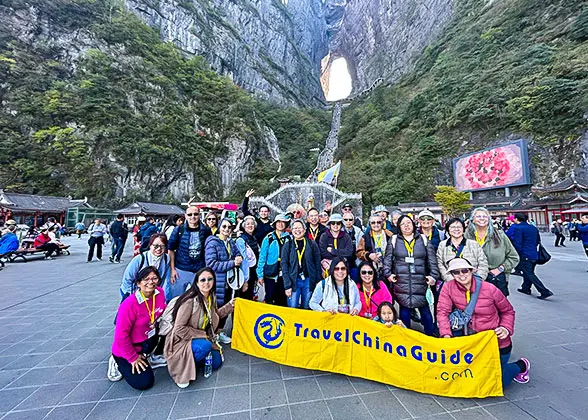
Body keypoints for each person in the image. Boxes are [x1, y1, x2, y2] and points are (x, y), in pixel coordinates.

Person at [437, 258, 530, 389]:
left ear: (471, 271)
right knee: (467, 378)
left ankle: (521, 365)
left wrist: (505, 328)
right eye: (456, 272)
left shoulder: (490, 289)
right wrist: (446, 335)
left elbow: (508, 311)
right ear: (452, 275)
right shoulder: (448, 287)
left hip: (495, 342)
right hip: (471, 342)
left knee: (495, 381)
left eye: (464, 270)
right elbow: (442, 312)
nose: (461, 275)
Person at [164, 268, 235, 388]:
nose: (206, 282)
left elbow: (214, 316)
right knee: (205, 346)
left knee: (216, 362)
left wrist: (230, 306)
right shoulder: (190, 301)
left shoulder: (210, 296)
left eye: (210, 279)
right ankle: (182, 366)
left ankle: (194, 361)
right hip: (182, 341)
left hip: (198, 338)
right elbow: (179, 329)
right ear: (196, 283)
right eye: (202, 280)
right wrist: (203, 335)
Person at [108, 267, 167, 390]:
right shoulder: (129, 305)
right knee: (144, 382)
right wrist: (133, 358)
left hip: (148, 339)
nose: (151, 282)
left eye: (154, 278)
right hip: (130, 347)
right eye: (146, 279)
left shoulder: (159, 293)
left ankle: (150, 355)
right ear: (138, 283)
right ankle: (116, 361)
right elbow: (120, 336)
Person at [383, 215, 439, 336]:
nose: (406, 225)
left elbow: (432, 260)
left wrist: (434, 276)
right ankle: (406, 339)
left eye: (408, 222)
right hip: (401, 281)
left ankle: (430, 338)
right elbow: (387, 260)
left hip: (420, 280)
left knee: (425, 313)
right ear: (399, 227)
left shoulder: (423, 239)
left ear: (413, 224)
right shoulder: (393, 240)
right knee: (404, 312)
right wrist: (388, 274)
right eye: (403, 224)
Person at [465, 207, 519, 296]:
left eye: (485, 216)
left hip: (495, 279)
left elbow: (514, 257)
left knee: (497, 308)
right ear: (473, 220)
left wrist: (500, 269)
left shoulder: (499, 236)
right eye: (478, 216)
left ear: (489, 220)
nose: (482, 218)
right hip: (472, 280)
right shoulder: (466, 236)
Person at [168, 206, 211, 301]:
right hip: (181, 269)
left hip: (199, 270)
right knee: (176, 299)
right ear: (185, 216)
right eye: (190, 214)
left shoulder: (206, 230)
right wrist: (172, 269)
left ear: (200, 215)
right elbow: (170, 249)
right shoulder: (179, 230)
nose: (193, 217)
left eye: (196, 214)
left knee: (198, 300)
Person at [507, 213, 553, 299]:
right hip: (534, 253)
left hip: (525, 254)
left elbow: (518, 243)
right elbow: (537, 240)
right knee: (528, 271)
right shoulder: (533, 227)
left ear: (517, 219)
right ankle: (526, 288)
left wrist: (517, 254)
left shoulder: (518, 228)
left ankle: (544, 291)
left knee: (529, 273)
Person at [281, 219, 321, 309]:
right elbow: (284, 266)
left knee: (306, 307)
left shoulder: (312, 244)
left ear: (304, 229)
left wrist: (318, 282)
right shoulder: (288, 245)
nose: (297, 230)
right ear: (291, 230)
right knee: (293, 307)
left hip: (308, 280)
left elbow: (317, 263)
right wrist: (287, 285)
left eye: (299, 228)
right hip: (293, 280)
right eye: (295, 228)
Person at [120, 234, 171, 301]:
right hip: (132, 293)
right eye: (155, 246)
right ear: (150, 245)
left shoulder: (166, 259)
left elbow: (163, 281)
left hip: (151, 294)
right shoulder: (139, 259)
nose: (159, 249)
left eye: (162, 246)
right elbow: (127, 279)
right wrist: (133, 297)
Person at [257, 214, 291, 306]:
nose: (280, 224)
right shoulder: (269, 238)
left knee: (282, 300)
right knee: (269, 299)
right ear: (275, 224)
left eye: (283, 222)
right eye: (278, 222)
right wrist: (260, 274)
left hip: (284, 274)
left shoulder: (289, 238)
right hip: (270, 273)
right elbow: (262, 257)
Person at [357, 214, 394, 283]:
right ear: (370, 224)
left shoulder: (390, 235)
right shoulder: (365, 237)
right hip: (372, 270)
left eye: (378, 222)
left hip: (389, 268)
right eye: (373, 222)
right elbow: (359, 252)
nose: (376, 224)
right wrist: (368, 255)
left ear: (382, 223)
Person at [239, 215, 260, 299]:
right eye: (248, 224)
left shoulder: (254, 238)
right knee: (245, 297)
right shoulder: (241, 240)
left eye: (252, 224)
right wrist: (245, 279)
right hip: (246, 274)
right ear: (244, 226)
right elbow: (243, 261)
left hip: (253, 272)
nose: (250, 226)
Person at [342, 212, 363, 280]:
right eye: (346, 219)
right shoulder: (339, 231)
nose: (348, 222)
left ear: (353, 221)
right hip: (342, 263)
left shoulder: (358, 232)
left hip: (355, 262)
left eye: (350, 219)